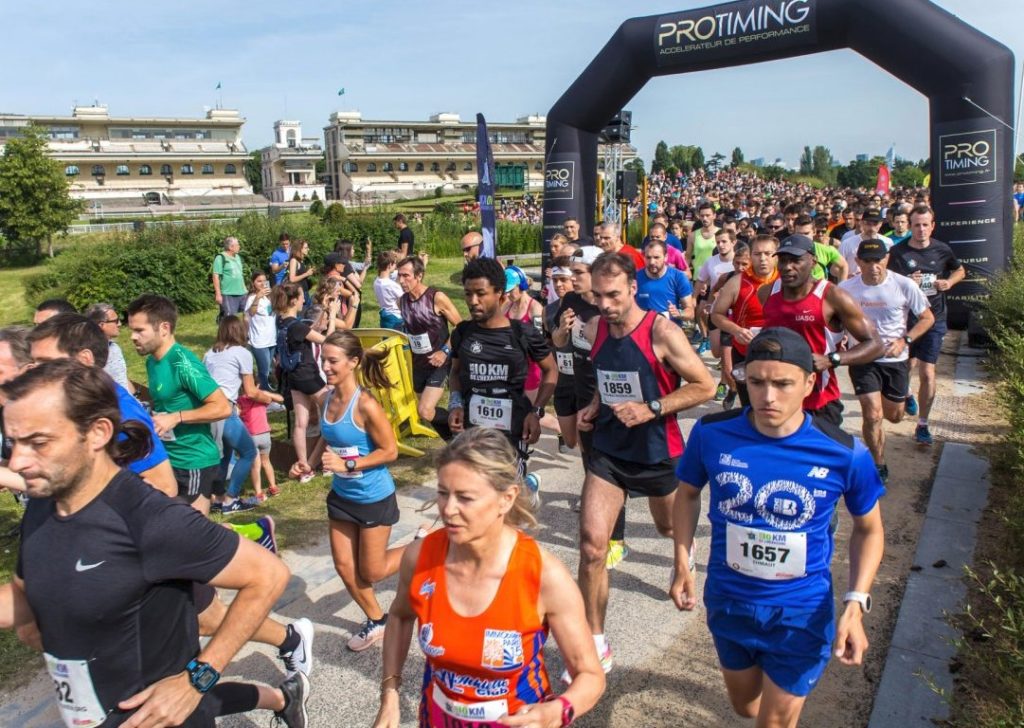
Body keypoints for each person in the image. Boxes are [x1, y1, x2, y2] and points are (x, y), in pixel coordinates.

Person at [0, 359, 310, 728]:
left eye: (38, 443)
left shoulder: (146, 518)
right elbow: (22, 596)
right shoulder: (43, 504)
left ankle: (286, 691)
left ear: (98, 433)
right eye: (12, 442)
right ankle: (284, 698)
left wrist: (199, 678)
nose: (16, 461)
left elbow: (268, 575)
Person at [670, 328, 885, 728]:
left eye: (782, 384)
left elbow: (869, 529)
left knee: (771, 723)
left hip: (799, 614)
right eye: (756, 382)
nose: (768, 397)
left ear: (809, 383)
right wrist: (683, 560)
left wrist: (856, 602)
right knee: (745, 707)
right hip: (729, 602)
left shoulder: (844, 453)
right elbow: (686, 494)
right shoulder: (712, 434)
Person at [372, 428, 606, 728]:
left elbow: (590, 675)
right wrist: (390, 695)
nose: (449, 509)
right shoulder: (420, 557)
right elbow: (400, 617)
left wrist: (555, 712)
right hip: (437, 719)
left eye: (465, 498)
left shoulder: (544, 576)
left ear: (506, 499)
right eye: (443, 493)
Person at [574, 252, 715, 674]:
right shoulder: (595, 327)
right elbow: (607, 374)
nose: (604, 304)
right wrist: (596, 405)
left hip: (658, 452)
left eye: (613, 295)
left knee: (668, 527)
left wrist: (652, 407)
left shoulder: (662, 331)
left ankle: (682, 563)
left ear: (633, 288)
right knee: (592, 546)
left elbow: (705, 386)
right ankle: (594, 642)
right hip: (609, 451)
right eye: (597, 295)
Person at [290, 331, 405, 652]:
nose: (325, 366)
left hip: (373, 497)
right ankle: (378, 620)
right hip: (342, 497)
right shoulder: (326, 399)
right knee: (344, 566)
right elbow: (329, 437)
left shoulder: (366, 404)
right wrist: (309, 464)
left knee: (373, 570)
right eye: (322, 359)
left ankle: (423, 547)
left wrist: (349, 465)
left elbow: (390, 451)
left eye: (332, 361)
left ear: (353, 362)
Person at [27, 313, 177, 498]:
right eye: (34, 363)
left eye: (46, 363)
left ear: (84, 360)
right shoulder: (69, 403)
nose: (34, 372)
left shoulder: (119, 412)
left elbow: (164, 488)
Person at [448, 257, 557, 497]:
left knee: (503, 496)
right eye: (468, 294)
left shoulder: (522, 333)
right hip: (473, 428)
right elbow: (454, 372)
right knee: (474, 492)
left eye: (480, 293)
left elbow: (551, 370)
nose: (472, 301)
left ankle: (525, 488)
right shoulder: (463, 333)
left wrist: (536, 411)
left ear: (499, 293)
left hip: (512, 428)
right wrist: (455, 403)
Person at [759, 235, 884, 426]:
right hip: (776, 399)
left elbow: (876, 344)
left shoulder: (833, 296)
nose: (787, 266)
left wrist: (831, 359)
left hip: (819, 402)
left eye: (795, 260)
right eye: (783, 260)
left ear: (813, 261)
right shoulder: (766, 292)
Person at [126, 294, 232, 515]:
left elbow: (222, 407)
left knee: (193, 534)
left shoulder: (182, 362)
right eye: (131, 330)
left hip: (194, 460)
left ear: (164, 328)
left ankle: (257, 536)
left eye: (139, 330)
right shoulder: (152, 362)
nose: (132, 337)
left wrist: (175, 418)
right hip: (167, 457)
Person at [839, 240, 935, 482]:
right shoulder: (846, 288)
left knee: (894, 416)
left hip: (895, 359)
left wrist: (905, 340)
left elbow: (927, 318)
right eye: (867, 261)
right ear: (858, 262)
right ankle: (878, 463)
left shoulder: (903, 285)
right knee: (872, 414)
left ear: (887, 259)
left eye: (878, 260)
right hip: (863, 357)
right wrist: (840, 338)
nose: (874, 266)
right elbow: (835, 319)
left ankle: (904, 396)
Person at [885, 205, 966, 445]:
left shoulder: (942, 250)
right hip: (905, 319)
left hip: (934, 317)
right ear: (909, 227)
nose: (920, 229)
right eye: (916, 225)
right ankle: (908, 393)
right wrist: (907, 282)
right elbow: (886, 283)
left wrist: (949, 283)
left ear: (933, 226)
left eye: (925, 225)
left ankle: (923, 424)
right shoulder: (897, 253)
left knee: (928, 371)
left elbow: (960, 270)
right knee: (906, 365)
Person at [203, 316, 284, 513]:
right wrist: (269, 399)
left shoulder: (209, 354)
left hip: (208, 410)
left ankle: (218, 497)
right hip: (225, 409)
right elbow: (251, 391)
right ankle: (231, 499)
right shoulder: (242, 353)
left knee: (225, 455)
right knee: (248, 452)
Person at [272, 283, 341, 478]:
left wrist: (325, 309)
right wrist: (333, 315)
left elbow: (311, 328)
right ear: (293, 300)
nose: (304, 300)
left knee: (301, 424)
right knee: (333, 413)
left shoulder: (282, 322)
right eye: (302, 297)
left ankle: (303, 467)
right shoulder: (297, 327)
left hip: (292, 377)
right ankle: (326, 461)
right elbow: (329, 341)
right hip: (308, 376)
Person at [397, 255, 463, 440]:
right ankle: (452, 440)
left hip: (440, 362)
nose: (401, 281)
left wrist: (445, 350)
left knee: (424, 411)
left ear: (419, 275)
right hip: (418, 363)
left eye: (406, 276)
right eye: (399, 276)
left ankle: (461, 425)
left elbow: (461, 327)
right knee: (427, 412)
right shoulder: (401, 301)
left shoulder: (436, 297)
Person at [711, 234, 779, 409]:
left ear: (777, 254)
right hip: (745, 351)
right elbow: (716, 315)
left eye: (768, 253)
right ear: (751, 255)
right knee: (750, 406)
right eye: (757, 254)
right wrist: (736, 330)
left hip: (780, 353)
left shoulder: (786, 281)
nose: (763, 259)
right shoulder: (737, 282)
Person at [636, 237, 695, 324]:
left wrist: (679, 313)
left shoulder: (678, 277)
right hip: (642, 332)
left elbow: (690, 313)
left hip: (669, 332)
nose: (652, 262)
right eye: (648, 257)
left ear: (666, 257)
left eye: (656, 257)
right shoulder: (635, 278)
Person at [84, 302, 135, 394]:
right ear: (101, 325)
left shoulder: (114, 347)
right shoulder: (90, 355)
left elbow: (121, 379)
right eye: (115, 321)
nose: (119, 324)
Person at [238, 391, 279, 500]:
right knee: (266, 462)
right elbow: (279, 399)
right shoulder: (262, 398)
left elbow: (236, 414)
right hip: (265, 435)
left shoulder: (241, 400)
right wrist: (263, 392)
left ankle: (259, 493)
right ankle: (273, 487)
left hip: (251, 436)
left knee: (255, 466)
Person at [244, 270, 278, 393]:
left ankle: (268, 392)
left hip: (271, 339)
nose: (262, 284)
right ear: (253, 283)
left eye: (264, 281)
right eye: (259, 281)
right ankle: (265, 396)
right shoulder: (251, 298)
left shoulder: (269, 297)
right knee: (263, 371)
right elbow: (251, 313)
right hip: (259, 341)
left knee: (269, 369)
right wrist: (257, 297)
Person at [213, 236, 247, 318]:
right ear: (231, 247)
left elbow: (240, 275)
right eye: (237, 245)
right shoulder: (220, 258)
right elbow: (215, 276)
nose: (239, 246)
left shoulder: (238, 257)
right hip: (228, 294)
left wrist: (245, 289)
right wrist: (218, 294)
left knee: (248, 315)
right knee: (229, 319)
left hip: (242, 293)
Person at [373, 250, 404, 330]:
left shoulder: (376, 281)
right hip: (396, 319)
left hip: (384, 317)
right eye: (395, 263)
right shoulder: (392, 285)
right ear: (390, 265)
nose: (395, 266)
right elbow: (404, 301)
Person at [288, 239, 315, 306]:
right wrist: (307, 274)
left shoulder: (301, 261)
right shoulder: (294, 261)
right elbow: (292, 279)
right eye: (306, 248)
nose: (308, 249)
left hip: (304, 292)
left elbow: (301, 276)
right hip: (298, 294)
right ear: (299, 249)